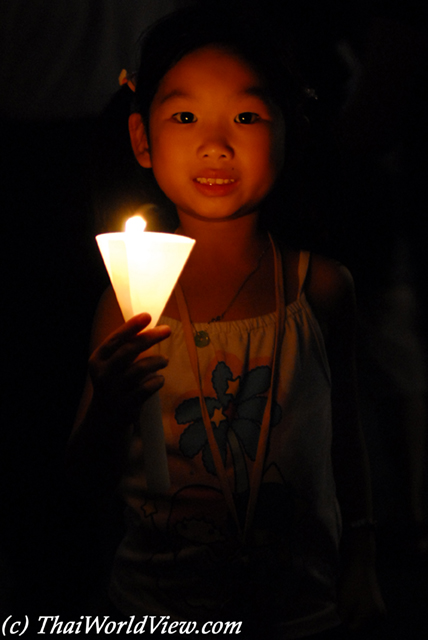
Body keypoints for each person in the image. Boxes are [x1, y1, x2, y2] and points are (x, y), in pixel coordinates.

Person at [67, 5, 385, 638]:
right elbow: (80, 481)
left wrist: (363, 560)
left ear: (288, 129)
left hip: (301, 610)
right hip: (158, 613)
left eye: (246, 116)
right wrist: (109, 401)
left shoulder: (318, 289)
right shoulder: (129, 302)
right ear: (142, 139)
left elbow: (346, 441)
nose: (215, 142)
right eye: (184, 116)